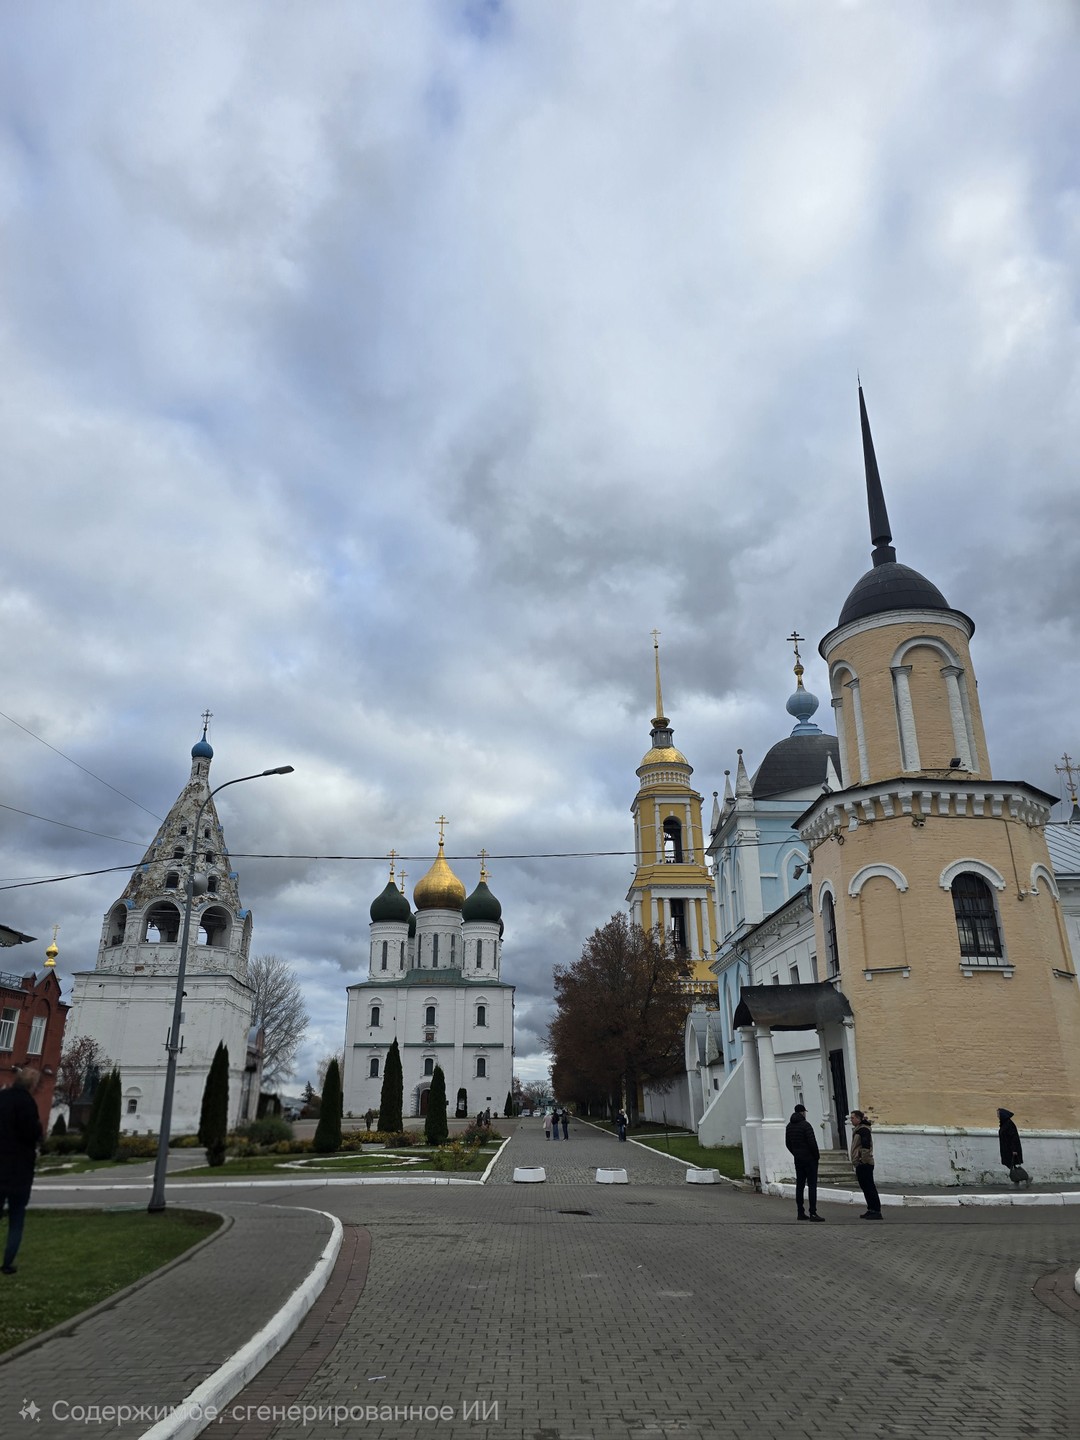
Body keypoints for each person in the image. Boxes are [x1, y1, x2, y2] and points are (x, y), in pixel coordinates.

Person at [0, 1068, 43, 1275]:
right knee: (17, 1217)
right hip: (19, 1170)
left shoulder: (2, 1098)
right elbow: (32, 1133)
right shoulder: (27, 1103)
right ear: (32, 1085)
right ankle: (7, 1263)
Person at [785, 1103, 822, 1221]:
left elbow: (788, 1143)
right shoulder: (806, 1125)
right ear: (802, 1112)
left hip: (798, 1159)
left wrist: (796, 1153)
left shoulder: (789, 1126)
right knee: (812, 1186)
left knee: (799, 1186)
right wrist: (816, 1156)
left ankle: (800, 1212)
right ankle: (813, 1212)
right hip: (810, 1159)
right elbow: (812, 1143)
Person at [849, 1110, 881, 1219]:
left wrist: (862, 1160)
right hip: (861, 1163)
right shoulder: (859, 1129)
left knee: (869, 1187)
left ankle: (876, 1210)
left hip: (865, 1164)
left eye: (852, 1118)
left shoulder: (863, 1130)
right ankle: (871, 1209)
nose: (851, 1120)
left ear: (859, 1118)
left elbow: (866, 1147)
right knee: (865, 1187)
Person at [998, 1108, 1028, 1184]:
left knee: (1013, 1164)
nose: (997, 1116)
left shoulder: (1009, 1124)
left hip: (1011, 1149)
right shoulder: (1004, 1123)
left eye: (998, 1114)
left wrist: (1014, 1149)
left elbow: (1013, 1137)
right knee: (1011, 1165)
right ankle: (1018, 1180)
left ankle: (1024, 1178)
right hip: (1007, 1148)